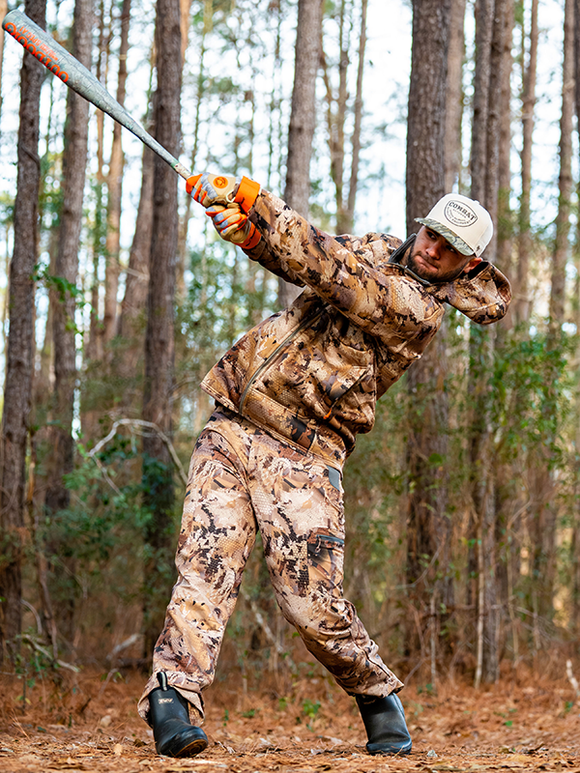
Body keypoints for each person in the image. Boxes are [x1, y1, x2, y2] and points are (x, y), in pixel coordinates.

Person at [137, 176, 511, 758]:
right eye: (432, 232)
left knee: (312, 605)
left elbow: (333, 274)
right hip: (236, 420)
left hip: (307, 454)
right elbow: (305, 258)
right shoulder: (375, 246)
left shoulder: (418, 312)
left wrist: (258, 199)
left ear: (469, 264)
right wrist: (253, 236)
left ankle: (376, 694)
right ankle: (172, 697)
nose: (432, 248)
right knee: (206, 564)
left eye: (449, 247)